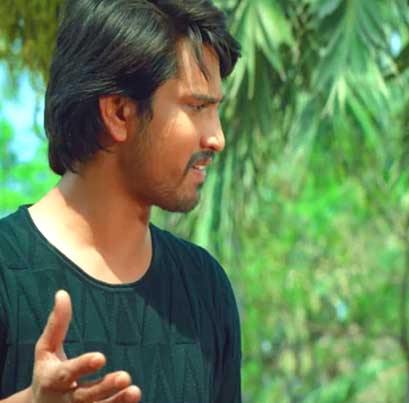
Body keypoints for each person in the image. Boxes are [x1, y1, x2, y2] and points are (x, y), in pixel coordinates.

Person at [0, 0, 242, 402]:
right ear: (118, 113)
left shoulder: (205, 287)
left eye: (215, 110)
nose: (216, 138)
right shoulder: (8, 271)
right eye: (197, 107)